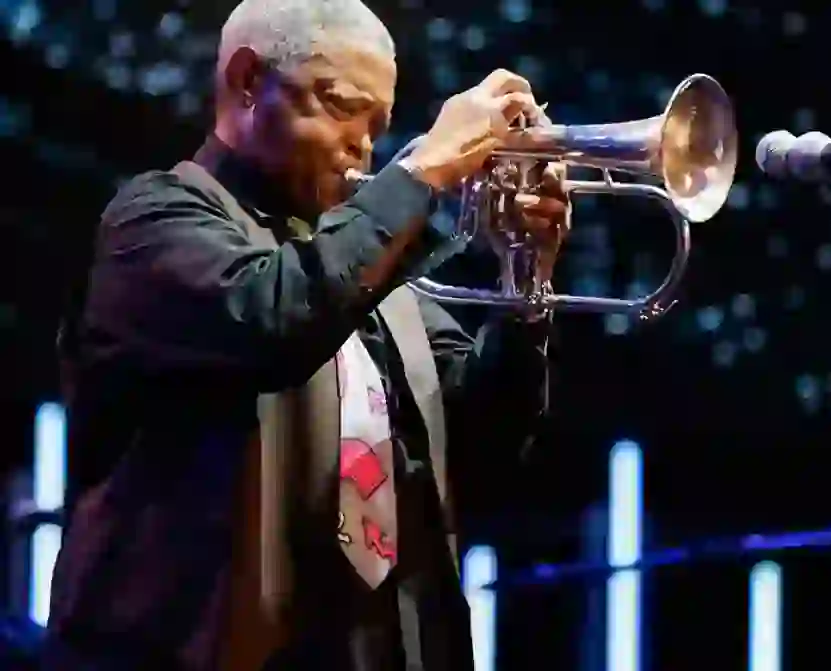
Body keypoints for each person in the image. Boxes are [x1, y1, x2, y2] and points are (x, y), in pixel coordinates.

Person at [43, 0, 569, 669]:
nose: (367, 147)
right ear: (246, 80)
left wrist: (527, 277)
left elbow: (488, 442)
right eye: (344, 106)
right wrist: (423, 173)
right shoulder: (153, 222)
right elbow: (276, 317)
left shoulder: (374, 278)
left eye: (379, 125)